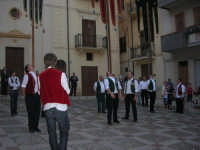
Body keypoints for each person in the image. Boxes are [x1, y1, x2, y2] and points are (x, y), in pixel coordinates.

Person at [39, 53, 70, 150]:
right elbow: (67, 91)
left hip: (48, 107)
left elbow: (40, 91)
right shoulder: (61, 74)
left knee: (51, 133)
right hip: (60, 107)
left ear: (45, 62)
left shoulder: (40, 76)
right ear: (55, 62)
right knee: (63, 131)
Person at [21, 64, 41, 133]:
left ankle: (36, 126)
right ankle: (31, 127)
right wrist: (25, 96)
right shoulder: (27, 76)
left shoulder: (36, 75)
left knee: (37, 112)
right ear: (28, 69)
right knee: (31, 112)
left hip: (37, 95)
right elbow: (23, 86)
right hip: (30, 95)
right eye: (30, 66)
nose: (32, 66)